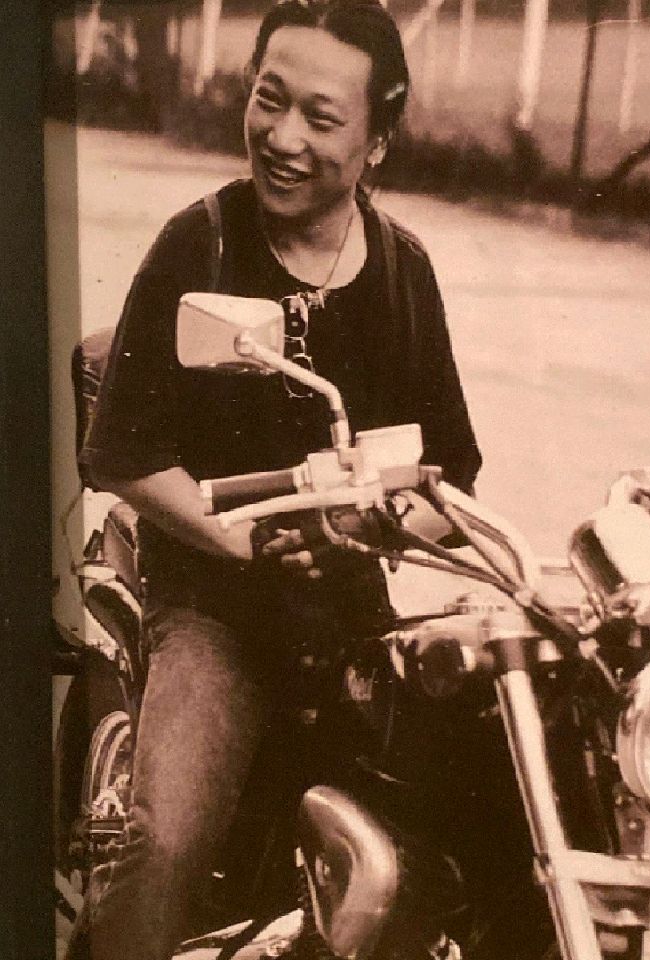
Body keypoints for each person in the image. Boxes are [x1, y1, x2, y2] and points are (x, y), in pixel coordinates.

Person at [66, 2, 481, 958]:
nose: (284, 138)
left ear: (378, 140)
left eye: (320, 118)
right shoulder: (200, 242)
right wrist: (236, 540)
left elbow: (449, 470)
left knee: (454, 823)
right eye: (269, 100)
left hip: (350, 611)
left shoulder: (403, 272)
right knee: (166, 843)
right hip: (213, 603)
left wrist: (377, 531)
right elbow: (122, 450)